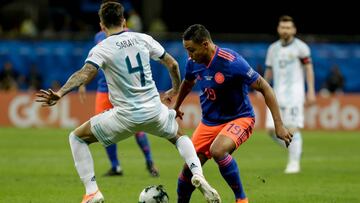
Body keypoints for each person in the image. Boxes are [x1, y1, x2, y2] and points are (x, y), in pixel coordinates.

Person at [36, 2, 220, 203]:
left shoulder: (102, 48)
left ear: (102, 25)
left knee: (77, 138)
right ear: (124, 21)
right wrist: (174, 90)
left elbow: (85, 73)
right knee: (178, 136)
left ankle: (92, 192)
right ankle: (198, 174)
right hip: (154, 111)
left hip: (125, 115)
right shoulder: (142, 38)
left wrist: (61, 92)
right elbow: (173, 64)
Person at [174, 24, 293, 203]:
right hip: (208, 123)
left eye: (192, 50)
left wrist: (279, 124)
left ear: (205, 44)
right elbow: (188, 83)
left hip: (239, 118)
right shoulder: (193, 63)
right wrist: (177, 105)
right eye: (187, 51)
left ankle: (241, 200)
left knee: (218, 151)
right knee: (188, 171)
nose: (189, 56)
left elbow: (264, 87)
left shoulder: (231, 62)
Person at [79, 9, 159, 177]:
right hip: (104, 88)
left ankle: (149, 161)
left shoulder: (129, 36)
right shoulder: (100, 37)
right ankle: (116, 166)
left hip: (125, 89)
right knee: (103, 129)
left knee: (138, 126)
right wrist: (83, 83)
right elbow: (94, 65)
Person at [264, 15, 316, 174]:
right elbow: (269, 70)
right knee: (270, 129)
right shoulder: (273, 48)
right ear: (278, 29)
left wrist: (311, 91)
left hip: (295, 94)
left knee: (292, 128)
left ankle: (294, 163)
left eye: (288, 27)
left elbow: (308, 69)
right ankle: (295, 149)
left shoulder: (301, 48)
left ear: (293, 30)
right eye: (283, 27)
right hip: (276, 94)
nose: (285, 30)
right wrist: (263, 88)